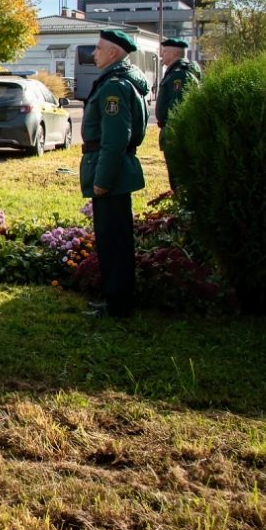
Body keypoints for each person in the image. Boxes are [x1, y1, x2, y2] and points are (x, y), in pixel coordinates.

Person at [80, 29, 150, 319]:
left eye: (98, 49)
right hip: (112, 170)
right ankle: (113, 298)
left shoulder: (115, 86)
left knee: (114, 241)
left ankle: (118, 305)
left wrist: (103, 180)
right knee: (111, 239)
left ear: (112, 53)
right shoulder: (117, 81)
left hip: (112, 174)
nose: (93, 53)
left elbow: (115, 139)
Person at [155, 38, 201, 190]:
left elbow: (178, 109)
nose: (161, 55)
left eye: (164, 51)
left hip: (176, 133)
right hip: (173, 131)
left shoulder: (179, 76)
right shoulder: (177, 72)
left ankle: (183, 209)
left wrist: (174, 135)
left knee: (179, 178)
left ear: (174, 53)